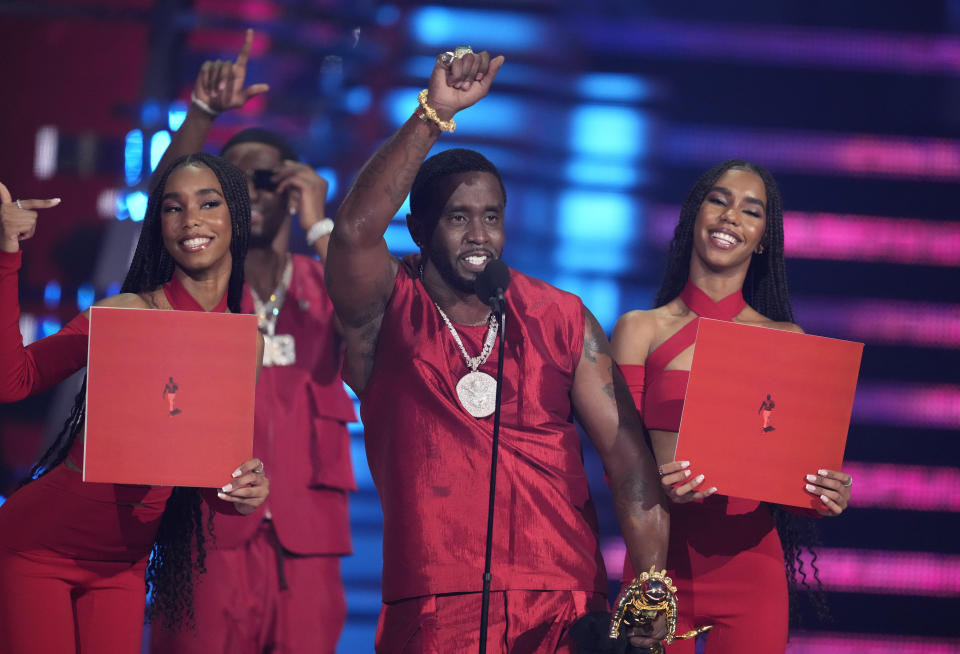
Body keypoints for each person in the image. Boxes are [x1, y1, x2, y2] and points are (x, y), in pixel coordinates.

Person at [325, 48, 669, 653]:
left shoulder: (559, 316)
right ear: (419, 230)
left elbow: (628, 462)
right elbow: (354, 230)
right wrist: (434, 114)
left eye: (491, 216)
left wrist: (648, 591)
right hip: (434, 605)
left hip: (564, 602)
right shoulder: (387, 311)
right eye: (458, 218)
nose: (479, 234)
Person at [0, 152, 270, 654]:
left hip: (122, 567)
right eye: (173, 208)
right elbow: (13, 381)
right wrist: (6, 254)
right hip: (36, 549)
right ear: (159, 224)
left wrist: (240, 493)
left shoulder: (243, 342)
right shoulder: (123, 315)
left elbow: (206, 478)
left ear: (235, 214)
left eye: (208, 203)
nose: (190, 219)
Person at [148, 29, 357, 654]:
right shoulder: (194, 284)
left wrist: (322, 222)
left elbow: (384, 321)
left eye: (267, 180)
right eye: (229, 185)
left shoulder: (327, 285)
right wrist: (203, 114)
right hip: (207, 534)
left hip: (309, 543)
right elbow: (163, 208)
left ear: (292, 188)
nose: (251, 194)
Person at [611, 160, 853, 653]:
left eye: (751, 210)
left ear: (763, 238)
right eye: (719, 201)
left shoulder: (788, 342)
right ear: (694, 216)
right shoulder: (640, 330)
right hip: (659, 562)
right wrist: (658, 485)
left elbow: (788, 465)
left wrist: (824, 493)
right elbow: (622, 462)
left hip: (751, 568)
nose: (730, 217)